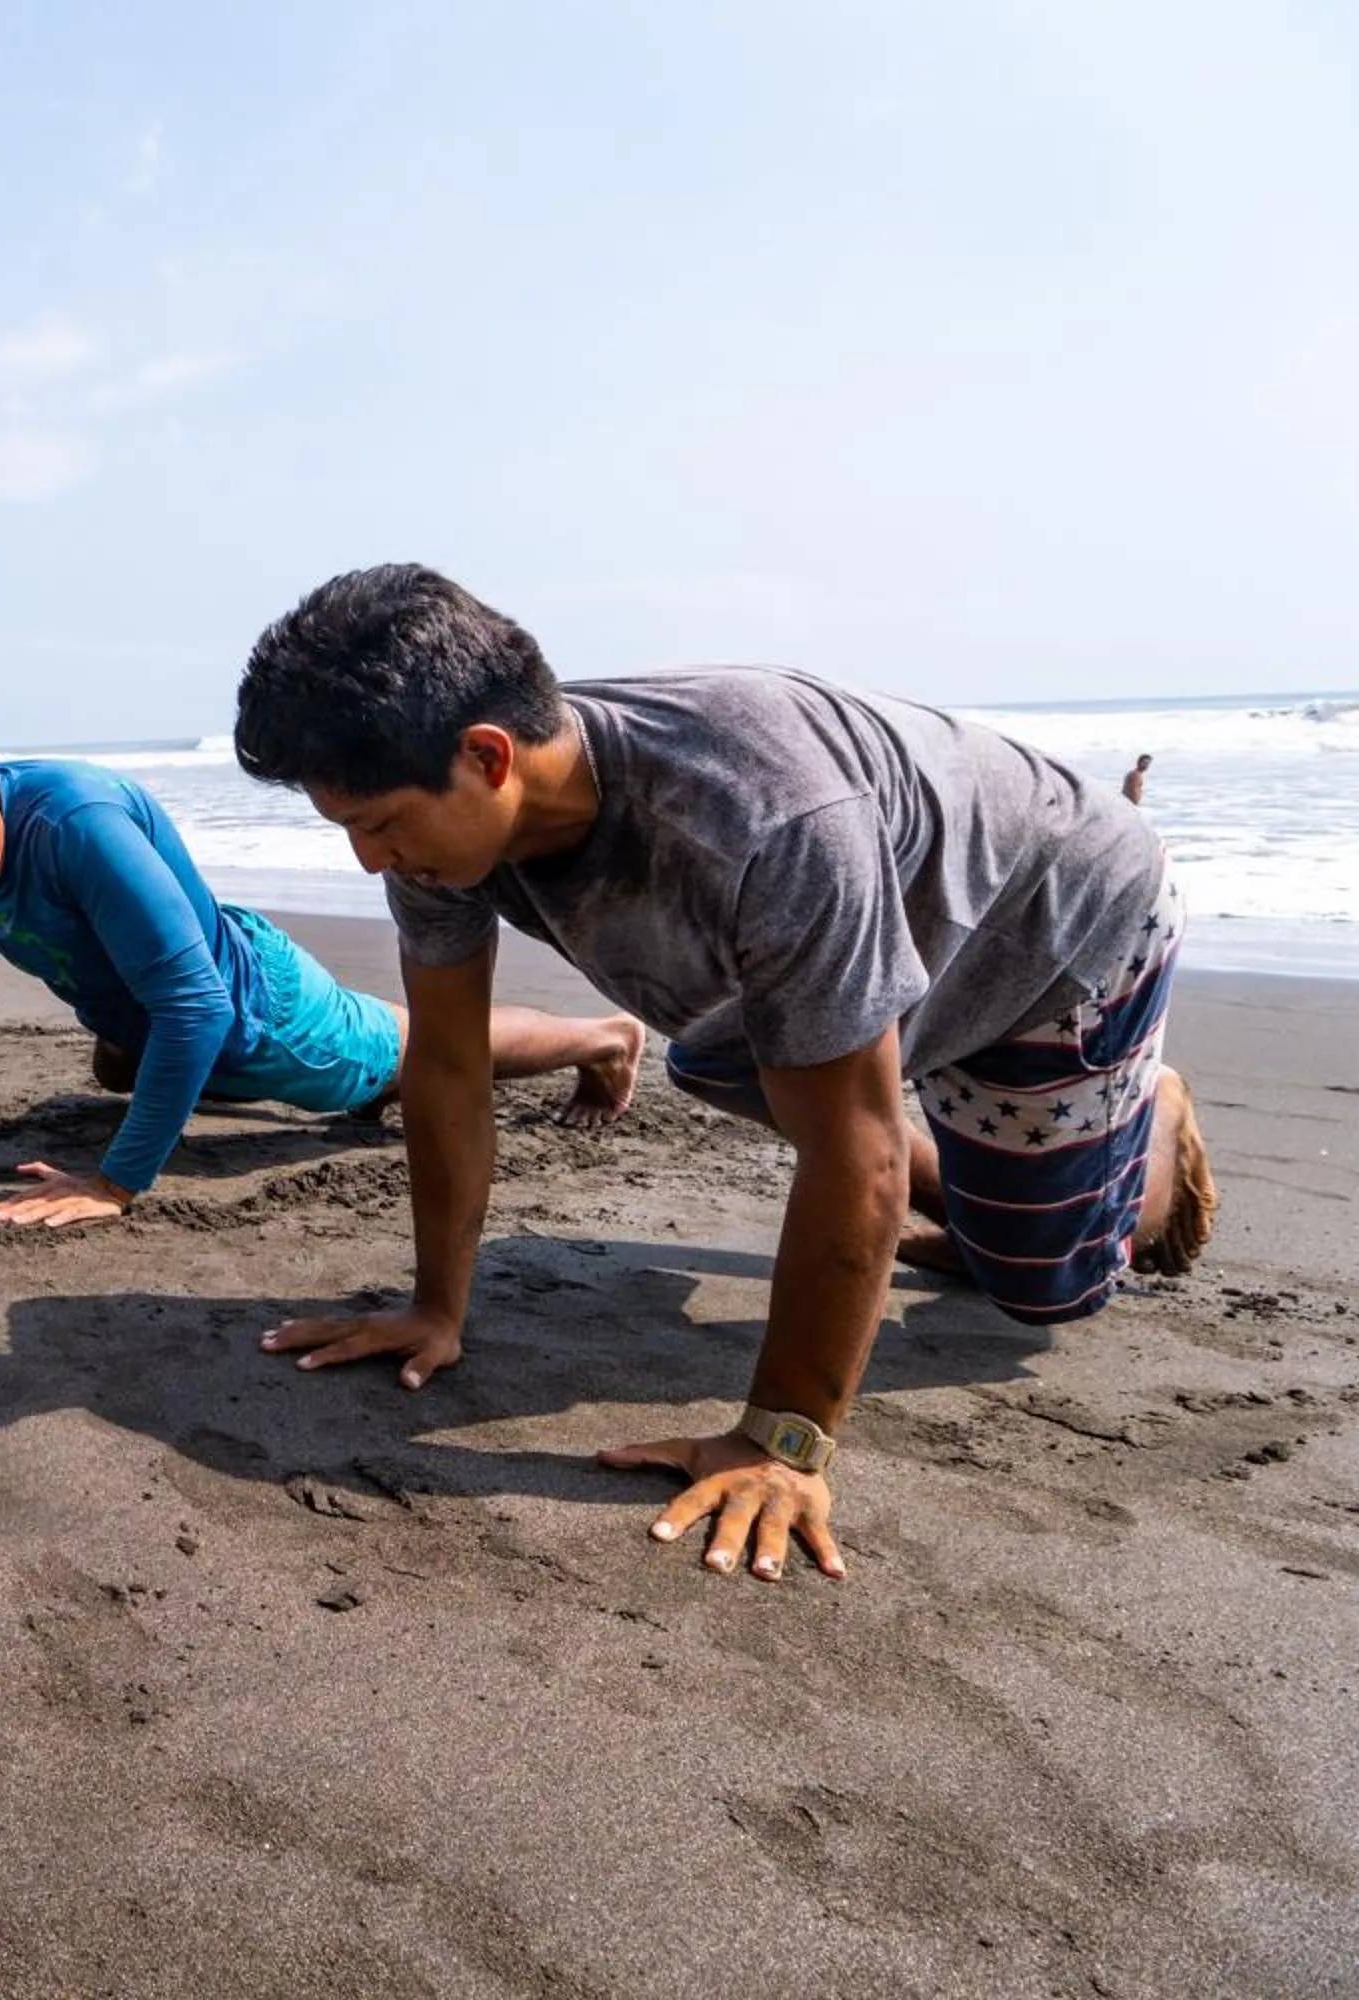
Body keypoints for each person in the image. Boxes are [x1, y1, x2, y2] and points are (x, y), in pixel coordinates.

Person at [230, 565, 1217, 1583]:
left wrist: (785, 1439)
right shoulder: (443, 837)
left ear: (488, 757)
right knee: (723, 1058)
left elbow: (854, 1146)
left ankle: (1146, 1121)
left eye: (380, 825)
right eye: (346, 829)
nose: (368, 862)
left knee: (1042, 1285)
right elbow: (444, 1063)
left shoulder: (759, 814)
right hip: (891, 948)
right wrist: (437, 1305)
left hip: (1057, 941)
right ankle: (978, 1164)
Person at [0, 705, 643, 1227]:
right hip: (164, 1002)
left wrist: (115, 1182)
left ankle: (604, 1038)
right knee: (120, 1067)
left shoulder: (76, 822)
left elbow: (200, 1011)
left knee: (421, 1054)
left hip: (267, 1021)